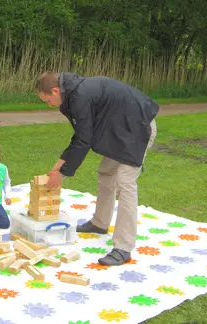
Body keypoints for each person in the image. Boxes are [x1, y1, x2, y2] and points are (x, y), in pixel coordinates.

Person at [35, 72, 158, 266]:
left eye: (47, 100)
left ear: (55, 90)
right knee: (106, 172)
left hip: (138, 128)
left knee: (125, 182)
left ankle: (124, 247)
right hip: (120, 129)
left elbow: (84, 141)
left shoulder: (79, 96)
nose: (49, 105)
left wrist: (63, 173)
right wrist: (57, 168)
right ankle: (100, 223)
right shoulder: (73, 95)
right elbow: (81, 135)